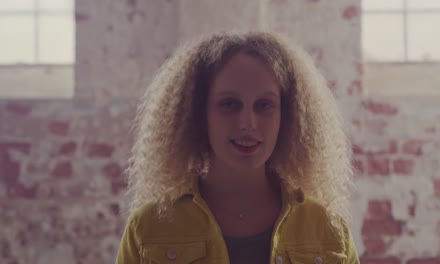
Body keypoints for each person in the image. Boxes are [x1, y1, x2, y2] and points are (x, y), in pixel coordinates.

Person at [116, 31, 360, 264]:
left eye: (264, 105)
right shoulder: (148, 229)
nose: (248, 123)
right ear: (200, 114)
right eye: (230, 104)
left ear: (287, 116)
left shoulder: (329, 233)